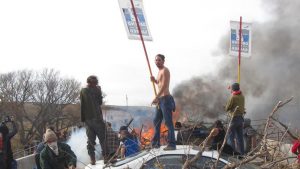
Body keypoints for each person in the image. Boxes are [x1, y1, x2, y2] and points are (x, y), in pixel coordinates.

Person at [150, 54, 176, 150]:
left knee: (168, 122)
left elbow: (165, 85)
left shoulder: (165, 70)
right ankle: (156, 143)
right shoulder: (159, 71)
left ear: (163, 61)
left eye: (159, 60)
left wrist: (156, 96)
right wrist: (155, 81)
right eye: (156, 60)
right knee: (156, 120)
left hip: (165, 99)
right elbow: (160, 83)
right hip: (160, 100)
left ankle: (172, 144)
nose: (157, 62)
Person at [80, 75, 108, 165]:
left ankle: (92, 159)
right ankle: (106, 158)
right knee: (103, 139)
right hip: (97, 119)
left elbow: (82, 104)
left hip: (88, 120)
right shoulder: (96, 90)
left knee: (90, 141)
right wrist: (99, 91)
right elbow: (99, 102)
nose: (97, 84)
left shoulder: (82, 90)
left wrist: (84, 119)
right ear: (92, 83)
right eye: (96, 83)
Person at [225, 83, 245, 155]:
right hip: (241, 119)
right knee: (240, 138)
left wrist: (225, 106)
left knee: (231, 138)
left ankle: (231, 154)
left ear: (233, 89)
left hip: (234, 119)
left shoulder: (233, 97)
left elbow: (227, 108)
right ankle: (242, 154)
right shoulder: (242, 96)